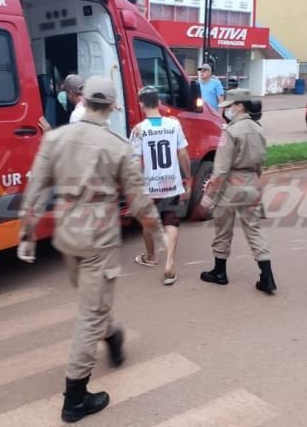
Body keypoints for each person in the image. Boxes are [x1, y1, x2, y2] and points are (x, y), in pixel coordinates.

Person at [18, 76, 161, 423]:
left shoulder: (55, 138)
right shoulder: (117, 145)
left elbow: (35, 189)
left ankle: (112, 334)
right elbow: (137, 197)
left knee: (91, 300)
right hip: (98, 236)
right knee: (91, 314)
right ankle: (75, 398)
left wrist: (26, 234)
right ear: (112, 106)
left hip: (67, 232)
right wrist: (155, 228)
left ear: (82, 101)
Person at [199, 89, 277, 295]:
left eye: (230, 106)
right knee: (254, 230)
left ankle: (220, 272)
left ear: (240, 106)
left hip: (230, 185)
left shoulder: (230, 131)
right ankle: (267, 277)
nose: (227, 110)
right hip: (251, 182)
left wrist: (208, 195)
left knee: (223, 229)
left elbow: (221, 169)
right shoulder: (258, 129)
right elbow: (261, 161)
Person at [130, 86, 192, 285]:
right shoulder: (174, 124)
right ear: (158, 102)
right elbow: (183, 154)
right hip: (171, 183)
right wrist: (188, 177)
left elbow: (134, 161)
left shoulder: (139, 130)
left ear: (141, 104)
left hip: (150, 186)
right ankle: (169, 264)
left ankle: (150, 257)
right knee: (171, 222)